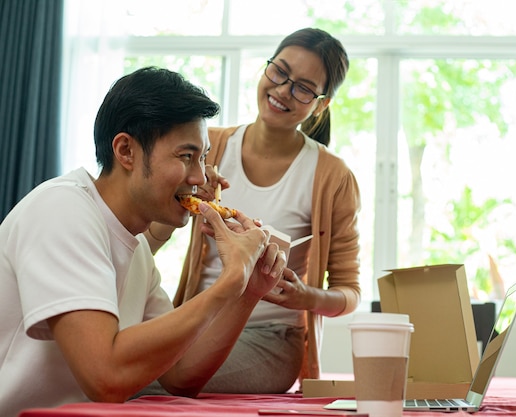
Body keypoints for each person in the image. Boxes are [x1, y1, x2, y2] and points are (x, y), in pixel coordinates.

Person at [0, 67, 286, 417]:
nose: (200, 177)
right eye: (186, 156)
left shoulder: (135, 250)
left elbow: (182, 375)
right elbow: (106, 377)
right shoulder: (62, 209)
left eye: (204, 157)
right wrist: (229, 281)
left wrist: (248, 292)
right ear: (126, 151)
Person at [145, 28, 361, 394]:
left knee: (145, 382)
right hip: (197, 318)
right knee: (110, 366)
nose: (282, 91)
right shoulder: (208, 146)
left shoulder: (332, 176)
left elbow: (349, 292)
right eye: (279, 72)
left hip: (272, 339)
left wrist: (304, 297)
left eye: (304, 88)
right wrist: (184, 202)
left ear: (320, 104)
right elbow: (147, 238)